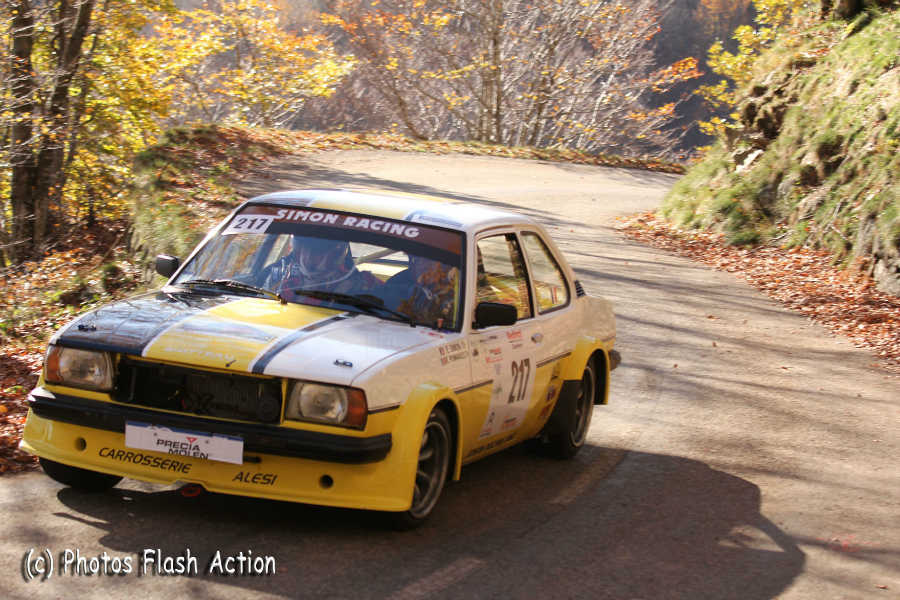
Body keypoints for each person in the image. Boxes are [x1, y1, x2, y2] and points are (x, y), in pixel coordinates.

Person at [264, 235, 379, 300]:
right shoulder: (279, 277)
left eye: (317, 251)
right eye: (304, 249)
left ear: (335, 254)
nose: (308, 257)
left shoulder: (360, 285)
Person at [389, 254, 459, 327]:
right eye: (419, 261)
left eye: (429, 262)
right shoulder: (397, 281)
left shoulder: (450, 297)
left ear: (441, 269)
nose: (423, 266)